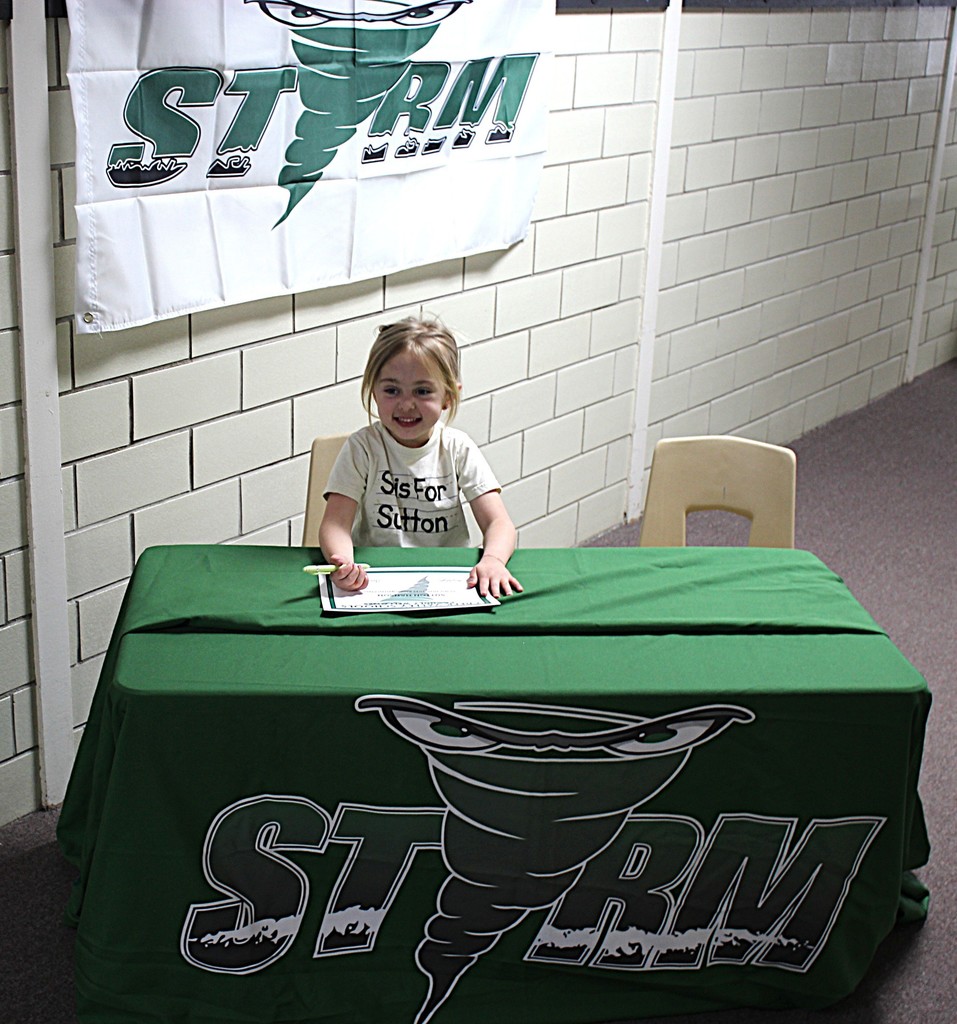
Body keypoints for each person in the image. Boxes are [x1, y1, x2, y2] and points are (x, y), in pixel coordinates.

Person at [318, 317, 522, 598]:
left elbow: (499, 523)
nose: (406, 404)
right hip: (375, 580)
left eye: (422, 391)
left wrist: (493, 560)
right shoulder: (362, 448)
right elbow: (335, 523)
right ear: (373, 390)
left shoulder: (457, 448)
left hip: (448, 581)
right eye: (391, 390)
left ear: (448, 396)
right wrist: (343, 561)